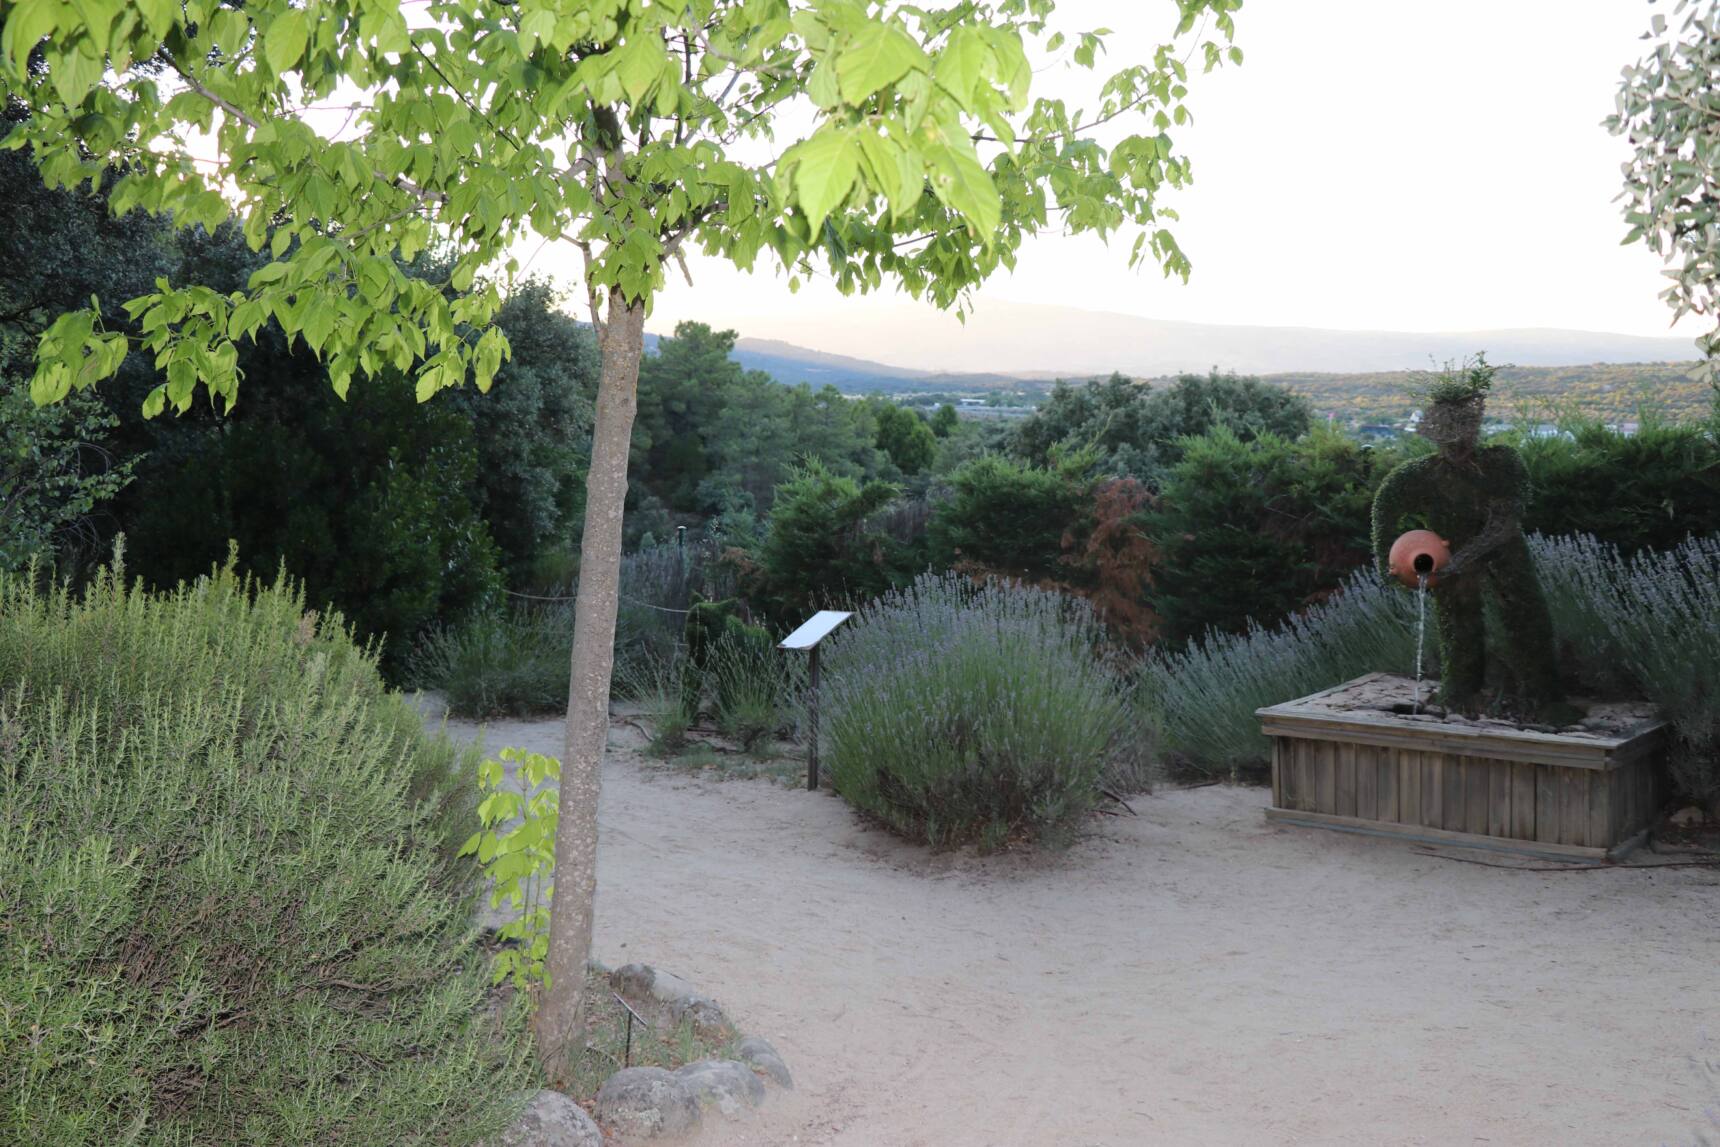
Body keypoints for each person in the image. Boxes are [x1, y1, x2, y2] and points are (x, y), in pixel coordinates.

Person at [1370, 361, 1566, 716]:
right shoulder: (1421, 474)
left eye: (1461, 438)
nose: (1454, 447)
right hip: (1449, 563)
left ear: (1474, 430)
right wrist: (1388, 558)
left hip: (1505, 559)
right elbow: (1385, 507)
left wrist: (1460, 561)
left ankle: (1542, 698)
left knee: (1525, 620)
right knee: (1458, 626)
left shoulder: (1501, 463)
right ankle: (1460, 694)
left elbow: (1502, 525)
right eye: (1446, 441)